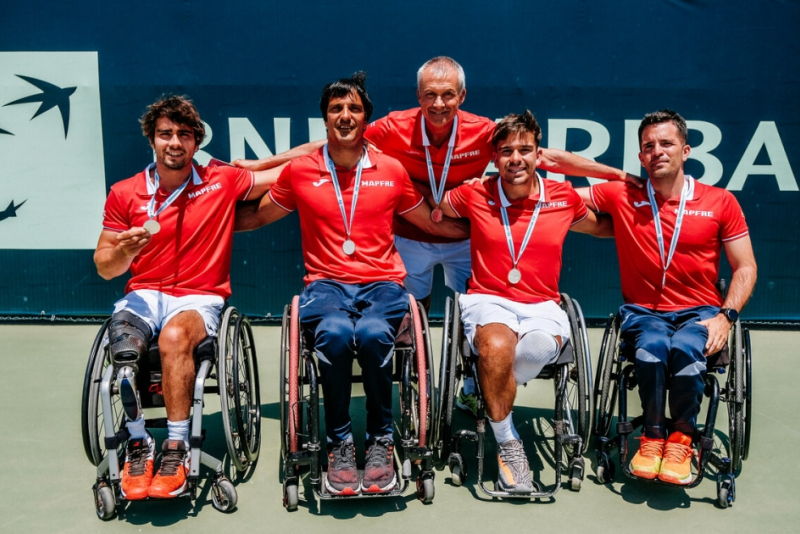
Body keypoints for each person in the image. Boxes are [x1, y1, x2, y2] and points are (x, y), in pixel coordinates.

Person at [234, 56, 636, 417]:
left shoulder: (484, 132)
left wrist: (615, 174)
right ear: (418, 96)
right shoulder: (393, 127)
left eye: (447, 95)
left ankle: (472, 387)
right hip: (412, 234)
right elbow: (332, 142)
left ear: (462, 95)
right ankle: (414, 383)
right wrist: (263, 163)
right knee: (410, 318)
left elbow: (549, 157)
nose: (439, 104)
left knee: (477, 322)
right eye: (430, 95)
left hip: (463, 238)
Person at [234, 72, 467, 496]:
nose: (345, 115)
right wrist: (196, 225)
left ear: (366, 119)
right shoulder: (301, 171)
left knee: (377, 335)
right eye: (336, 108)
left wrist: (485, 227)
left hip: (383, 285)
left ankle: (380, 440)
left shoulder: (392, 170)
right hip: (325, 286)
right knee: (338, 335)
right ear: (324, 119)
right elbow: (255, 216)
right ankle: (339, 441)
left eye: (354, 109)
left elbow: (431, 221)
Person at [94, 95, 281, 500]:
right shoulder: (124, 193)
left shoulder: (221, 178)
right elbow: (105, 266)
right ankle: (139, 442)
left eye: (184, 134)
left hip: (198, 298)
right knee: (125, 350)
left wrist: (330, 149)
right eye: (165, 134)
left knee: (175, 338)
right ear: (152, 140)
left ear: (196, 142)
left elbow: (288, 172)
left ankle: (176, 447)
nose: (174, 142)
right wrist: (126, 251)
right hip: (143, 294)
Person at [433, 111, 612, 493]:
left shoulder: (563, 197)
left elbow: (603, 226)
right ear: (495, 157)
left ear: (538, 155)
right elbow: (441, 208)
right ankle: (508, 441)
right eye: (506, 151)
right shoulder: (474, 193)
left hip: (542, 304)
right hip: (488, 299)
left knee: (536, 349)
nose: (516, 158)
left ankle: (486, 386)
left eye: (525, 150)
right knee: (497, 346)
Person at [578, 109, 757, 485]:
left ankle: (682, 437)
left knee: (687, 346)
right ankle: (653, 436)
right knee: (654, 346)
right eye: (648, 146)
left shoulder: (721, 201)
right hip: (643, 313)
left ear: (686, 150)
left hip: (701, 313)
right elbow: (554, 197)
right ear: (641, 157)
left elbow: (745, 267)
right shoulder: (620, 194)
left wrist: (726, 317)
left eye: (666, 143)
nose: (657, 151)